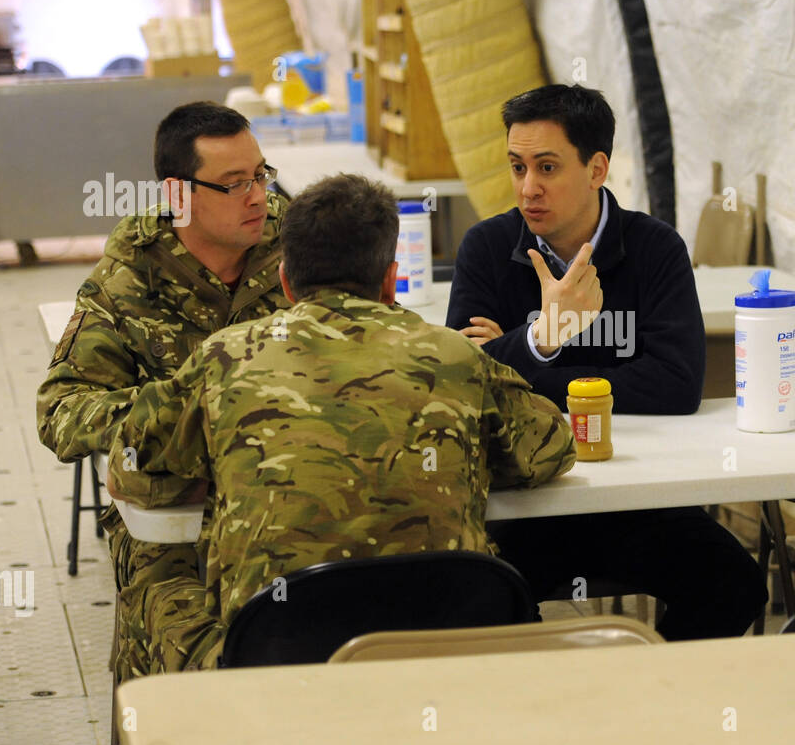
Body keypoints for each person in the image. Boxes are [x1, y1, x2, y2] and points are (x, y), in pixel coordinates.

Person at [108, 174, 575, 672]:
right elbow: (551, 448)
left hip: (271, 662)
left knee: (154, 588)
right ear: (391, 279)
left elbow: (130, 468)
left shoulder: (224, 357)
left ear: (286, 282)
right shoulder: (456, 356)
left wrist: (224, 470)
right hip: (443, 653)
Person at [446, 83, 767, 639]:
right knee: (481, 595)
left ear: (597, 169)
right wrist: (547, 333)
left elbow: (676, 386)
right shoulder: (486, 247)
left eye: (547, 167)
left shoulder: (655, 249)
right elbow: (463, 385)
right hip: (521, 499)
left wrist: (523, 360)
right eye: (517, 167)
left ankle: (653, 698)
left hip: (640, 497)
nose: (528, 188)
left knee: (734, 582)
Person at [36, 101, 290, 683]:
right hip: (179, 531)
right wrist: (181, 415)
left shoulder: (297, 250)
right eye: (234, 184)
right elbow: (62, 411)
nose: (258, 196)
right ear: (179, 196)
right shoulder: (129, 281)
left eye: (261, 175)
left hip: (293, 508)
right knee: (200, 676)